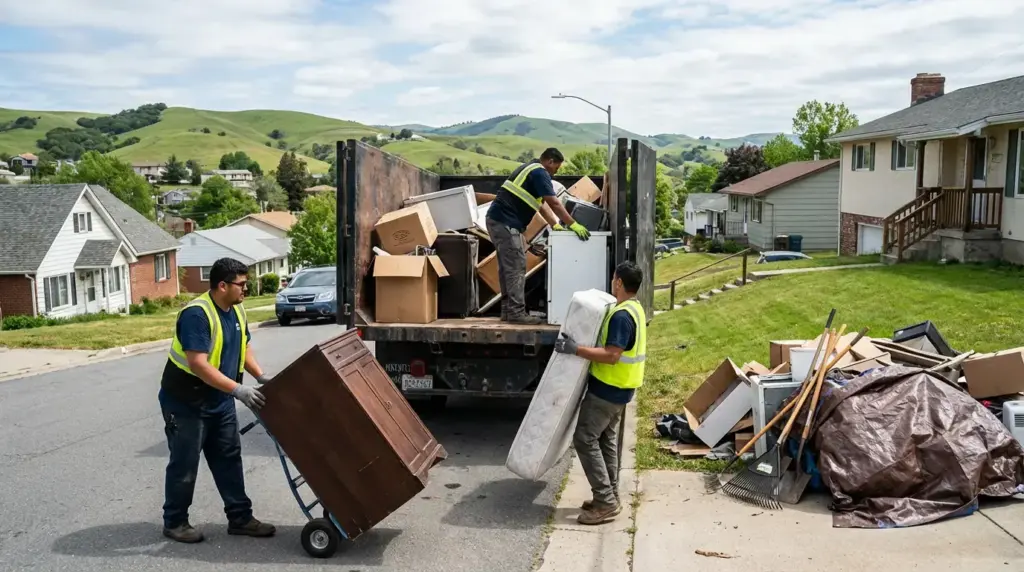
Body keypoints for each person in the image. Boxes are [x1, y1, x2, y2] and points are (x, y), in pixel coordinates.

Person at [158, 257, 276, 543]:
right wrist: (238, 390)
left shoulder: (236, 311)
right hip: (186, 403)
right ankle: (175, 522)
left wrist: (261, 376)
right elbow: (198, 363)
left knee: (228, 458)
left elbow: (243, 345)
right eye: (242, 284)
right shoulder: (197, 315)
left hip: (219, 401)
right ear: (222, 285)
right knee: (185, 464)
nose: (246, 289)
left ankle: (240, 518)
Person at [554, 261, 646, 525]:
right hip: (621, 389)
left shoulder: (621, 316)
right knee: (605, 441)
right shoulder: (635, 309)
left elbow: (612, 355)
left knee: (584, 439)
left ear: (619, 282)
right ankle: (610, 495)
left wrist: (575, 349)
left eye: (614, 278)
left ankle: (605, 502)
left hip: (608, 389)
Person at [485, 147, 591, 325]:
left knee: (507, 266)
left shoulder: (530, 169)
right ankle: (516, 313)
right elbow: (554, 203)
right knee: (516, 265)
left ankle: (508, 311)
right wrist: (573, 224)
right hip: (505, 222)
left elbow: (541, 205)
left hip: (498, 221)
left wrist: (555, 224)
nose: (555, 174)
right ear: (549, 161)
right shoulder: (540, 173)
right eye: (556, 168)